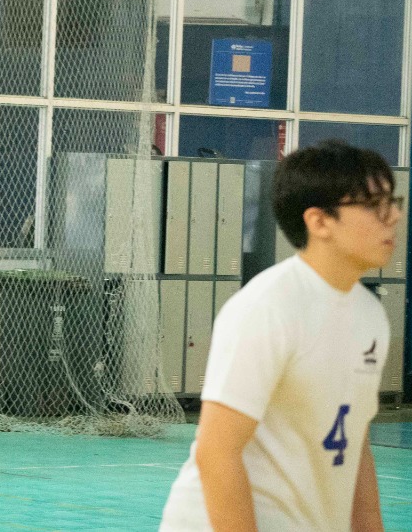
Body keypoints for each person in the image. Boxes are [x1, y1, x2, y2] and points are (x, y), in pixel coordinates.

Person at [159, 140, 397, 532]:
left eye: (392, 203)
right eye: (373, 206)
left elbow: (355, 439)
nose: (391, 218)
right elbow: (217, 451)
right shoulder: (268, 308)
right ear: (319, 222)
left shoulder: (370, 315)